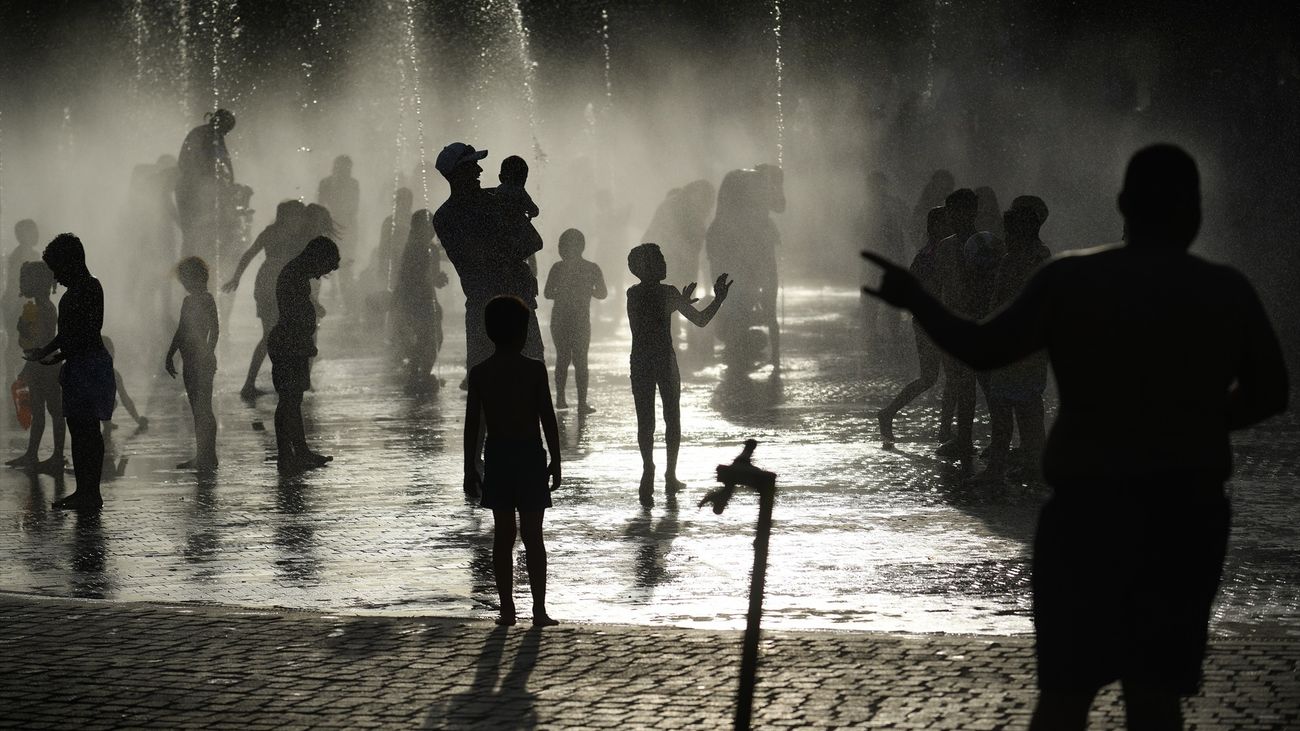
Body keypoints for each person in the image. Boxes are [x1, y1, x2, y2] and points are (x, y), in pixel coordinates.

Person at [861, 144, 1289, 730]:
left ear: (1122, 206)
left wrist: (917, 300)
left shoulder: (1072, 278)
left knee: (1065, 695)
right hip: (1181, 512)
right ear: (1194, 211)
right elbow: (1271, 391)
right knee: (1155, 696)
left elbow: (983, 347)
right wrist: (1192, 423)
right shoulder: (1222, 289)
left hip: (1088, 509)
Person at [464, 295, 561, 627]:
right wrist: (557, 459)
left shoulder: (480, 373)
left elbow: (473, 425)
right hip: (531, 456)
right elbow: (547, 417)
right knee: (534, 536)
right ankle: (539, 610)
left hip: (499, 457)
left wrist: (469, 467)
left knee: (502, 536)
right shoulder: (534, 369)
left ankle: (507, 610)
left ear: (490, 332)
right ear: (524, 331)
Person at [627, 243, 732, 506]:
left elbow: (645, 321)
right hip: (664, 360)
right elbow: (700, 320)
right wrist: (717, 298)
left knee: (646, 421)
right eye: (658, 259)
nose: (664, 263)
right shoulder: (668, 293)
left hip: (640, 361)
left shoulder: (634, 294)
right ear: (643, 267)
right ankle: (669, 474)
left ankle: (648, 469)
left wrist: (677, 303)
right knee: (671, 417)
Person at [432, 142, 545, 380]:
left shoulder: (446, 216)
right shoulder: (490, 203)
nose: (480, 171)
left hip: (485, 306)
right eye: (472, 166)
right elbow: (530, 242)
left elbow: (533, 242)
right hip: (505, 305)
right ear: (456, 173)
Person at [27, 234, 116, 512]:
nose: (56, 277)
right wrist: (56, 353)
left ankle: (89, 491)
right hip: (84, 363)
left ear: (72, 262)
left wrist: (51, 351)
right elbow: (73, 335)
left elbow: (81, 332)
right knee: (83, 430)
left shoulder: (86, 289)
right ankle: (87, 491)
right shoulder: (86, 288)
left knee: (85, 430)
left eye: (58, 269)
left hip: (87, 365)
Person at [974, 203, 1053, 482]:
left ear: (1023, 230)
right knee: (1028, 406)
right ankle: (1034, 466)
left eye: (1009, 230)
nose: (1006, 236)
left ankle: (998, 469)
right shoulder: (1040, 258)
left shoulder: (1019, 261)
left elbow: (1001, 303)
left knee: (1004, 408)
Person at [932, 188, 1001, 459]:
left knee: (987, 384)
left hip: (979, 321)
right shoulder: (946, 246)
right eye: (951, 212)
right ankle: (963, 439)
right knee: (963, 384)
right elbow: (941, 284)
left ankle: (998, 441)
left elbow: (994, 284)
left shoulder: (986, 244)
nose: (954, 217)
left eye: (959, 211)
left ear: (972, 212)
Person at [877, 206, 952, 448]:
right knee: (945, 377)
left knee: (933, 377)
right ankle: (944, 431)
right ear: (935, 227)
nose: (950, 227)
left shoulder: (932, 253)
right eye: (946, 223)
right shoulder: (931, 255)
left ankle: (890, 412)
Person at [268, 237, 340, 473]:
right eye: (323, 269)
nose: (320, 276)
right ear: (316, 257)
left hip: (292, 343)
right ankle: (285, 455)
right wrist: (304, 341)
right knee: (288, 400)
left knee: (293, 400)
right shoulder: (294, 276)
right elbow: (292, 315)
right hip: (288, 344)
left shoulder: (296, 274)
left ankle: (299, 451)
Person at [223, 199, 306, 400]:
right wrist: (236, 277)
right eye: (297, 215)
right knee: (272, 335)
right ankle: (253, 384)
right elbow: (249, 254)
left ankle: (258, 383)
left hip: (273, 283)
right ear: (287, 216)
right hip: (271, 285)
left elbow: (250, 255)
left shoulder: (282, 233)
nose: (301, 219)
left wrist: (237, 277)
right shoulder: (280, 234)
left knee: (276, 335)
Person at [6, 261, 64, 472]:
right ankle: (32, 454)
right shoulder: (39, 307)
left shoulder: (46, 308)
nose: (24, 284)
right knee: (38, 410)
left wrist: (25, 330)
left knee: (55, 411)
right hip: (40, 364)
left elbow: (44, 339)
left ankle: (57, 455)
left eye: (27, 280)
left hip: (46, 366)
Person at [543, 228, 607, 413]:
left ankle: (561, 399)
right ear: (582, 246)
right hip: (580, 319)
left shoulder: (557, 267)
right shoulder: (592, 268)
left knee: (562, 357)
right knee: (581, 360)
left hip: (560, 318)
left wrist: (563, 293)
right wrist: (587, 291)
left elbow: (547, 293)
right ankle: (581, 403)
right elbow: (603, 293)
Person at [164, 256, 219, 470]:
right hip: (190, 361)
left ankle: (208, 456)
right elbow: (181, 330)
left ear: (196, 277)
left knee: (203, 408)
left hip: (200, 361)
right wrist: (170, 354)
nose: (183, 284)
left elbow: (215, 329)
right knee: (198, 409)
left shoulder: (206, 300)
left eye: (184, 279)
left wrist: (208, 352)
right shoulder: (189, 301)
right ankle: (204, 455)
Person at [391, 209, 448, 384]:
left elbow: (431, 279)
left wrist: (438, 280)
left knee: (429, 338)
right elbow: (418, 277)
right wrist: (436, 279)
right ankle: (419, 374)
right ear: (416, 228)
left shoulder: (430, 249)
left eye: (432, 226)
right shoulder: (416, 248)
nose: (431, 230)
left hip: (424, 298)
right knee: (430, 337)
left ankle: (419, 373)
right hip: (415, 299)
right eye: (427, 226)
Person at [175, 109, 237, 261]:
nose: (226, 134)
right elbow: (196, 163)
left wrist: (228, 180)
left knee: (197, 232)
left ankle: (194, 263)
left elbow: (225, 161)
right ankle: (189, 266)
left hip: (192, 188)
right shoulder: (206, 135)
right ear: (220, 123)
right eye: (226, 129)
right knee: (193, 232)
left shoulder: (211, 134)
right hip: (191, 190)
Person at [317, 155, 360, 313]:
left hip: (347, 228)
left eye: (347, 169)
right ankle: (332, 291)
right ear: (335, 168)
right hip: (331, 225)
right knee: (328, 262)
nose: (345, 172)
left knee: (345, 265)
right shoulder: (326, 183)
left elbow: (354, 207)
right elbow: (320, 205)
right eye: (342, 168)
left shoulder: (353, 184)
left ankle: (347, 302)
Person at [4, 219, 41, 383]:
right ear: (22, 235)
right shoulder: (16, 257)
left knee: (27, 341)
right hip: (17, 302)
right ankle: (12, 376)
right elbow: (14, 283)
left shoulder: (34, 255)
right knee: (15, 340)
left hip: (26, 302)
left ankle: (21, 376)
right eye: (31, 231)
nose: (35, 234)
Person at [496, 154, 540, 220]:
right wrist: (530, 214)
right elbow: (534, 210)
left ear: (500, 177)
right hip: (515, 225)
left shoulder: (498, 190)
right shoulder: (520, 192)